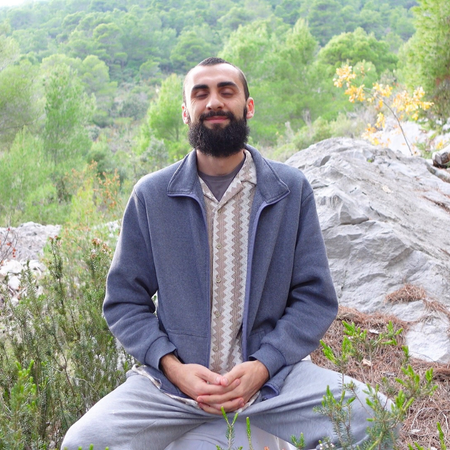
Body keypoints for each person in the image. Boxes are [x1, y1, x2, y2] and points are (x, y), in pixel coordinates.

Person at [61, 57, 383, 450]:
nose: (214, 101)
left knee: (374, 417)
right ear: (186, 112)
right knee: (83, 443)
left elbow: (314, 299)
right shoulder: (152, 195)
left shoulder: (289, 189)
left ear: (248, 106)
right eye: (201, 94)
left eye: (226, 91)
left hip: (273, 385)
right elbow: (125, 301)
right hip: (173, 390)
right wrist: (173, 368)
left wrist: (262, 366)